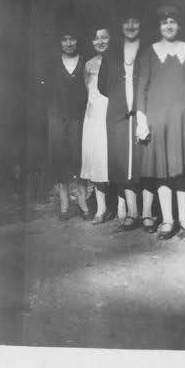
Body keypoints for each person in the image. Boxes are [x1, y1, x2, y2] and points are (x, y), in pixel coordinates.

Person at [136, 5, 185, 239]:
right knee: (162, 171)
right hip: (157, 120)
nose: (169, 26)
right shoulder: (149, 52)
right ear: (159, 26)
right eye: (164, 22)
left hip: (182, 120)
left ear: (178, 25)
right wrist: (142, 120)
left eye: (173, 21)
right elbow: (141, 89)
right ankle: (168, 220)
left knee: (180, 171)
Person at [97, 10, 144, 231]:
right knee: (122, 162)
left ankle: (148, 213)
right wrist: (120, 100)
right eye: (127, 20)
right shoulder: (112, 53)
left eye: (135, 20)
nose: (131, 25)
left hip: (141, 113)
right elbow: (102, 85)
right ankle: (132, 212)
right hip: (116, 115)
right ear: (121, 25)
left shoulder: (147, 49)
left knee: (140, 160)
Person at [46, 19, 87, 221]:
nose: (69, 43)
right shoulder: (52, 64)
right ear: (60, 42)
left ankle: (81, 200)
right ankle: (64, 203)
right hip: (57, 118)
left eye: (72, 39)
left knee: (79, 157)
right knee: (60, 158)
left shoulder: (84, 61)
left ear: (77, 41)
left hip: (78, 118)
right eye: (65, 39)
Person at [79, 26, 112, 224]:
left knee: (113, 160)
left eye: (104, 37)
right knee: (98, 162)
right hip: (94, 117)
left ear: (110, 39)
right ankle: (101, 208)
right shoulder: (89, 64)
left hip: (112, 115)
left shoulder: (117, 61)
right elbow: (88, 90)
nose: (100, 41)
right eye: (96, 38)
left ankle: (121, 206)